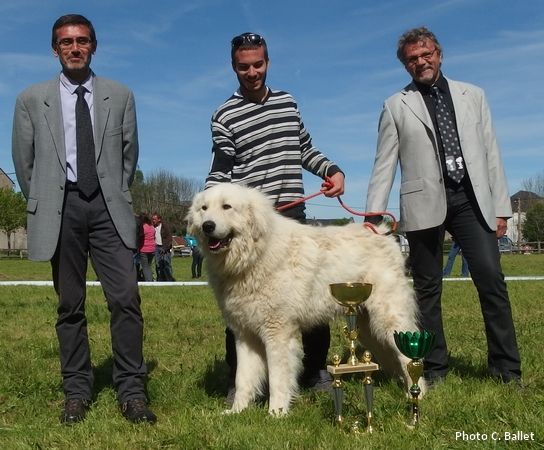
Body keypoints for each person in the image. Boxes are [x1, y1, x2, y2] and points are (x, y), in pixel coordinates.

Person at [11, 14, 156, 424]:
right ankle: (76, 390)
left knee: (126, 298)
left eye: (82, 41)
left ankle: (131, 391)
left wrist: (114, 192)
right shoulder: (29, 99)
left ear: (94, 45)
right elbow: (25, 163)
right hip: (62, 209)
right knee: (69, 305)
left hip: (109, 208)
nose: (74, 48)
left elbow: (130, 157)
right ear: (55, 49)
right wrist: (48, 196)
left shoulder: (120, 95)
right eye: (66, 42)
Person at [365, 27, 521, 386]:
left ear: (439, 54)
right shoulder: (395, 105)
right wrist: (374, 216)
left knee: (491, 281)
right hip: (423, 204)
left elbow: (490, 153)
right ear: (405, 65)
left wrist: (501, 208)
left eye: (426, 54)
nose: (421, 62)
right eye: (412, 59)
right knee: (427, 290)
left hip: (471, 199)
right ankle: (434, 368)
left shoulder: (474, 95)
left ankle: (507, 369)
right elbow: (383, 164)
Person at [206, 32, 345, 402]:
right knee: (243, 302)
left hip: (294, 218)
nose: (252, 72)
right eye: (243, 66)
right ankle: (242, 382)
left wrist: (331, 170)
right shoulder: (224, 115)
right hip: (253, 227)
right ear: (233, 67)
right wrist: (210, 206)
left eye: (258, 65)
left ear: (267, 62)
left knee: (311, 297)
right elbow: (221, 170)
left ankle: (315, 372)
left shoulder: (287, 102)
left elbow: (304, 148)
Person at [152, 213, 174, 281]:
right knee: (158, 264)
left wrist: (165, 248)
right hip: (156, 247)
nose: (153, 220)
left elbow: (169, 238)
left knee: (167, 264)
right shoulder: (152, 227)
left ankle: (169, 278)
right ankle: (160, 278)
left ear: (159, 219)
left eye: (155, 219)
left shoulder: (165, 227)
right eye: (152, 219)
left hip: (165, 247)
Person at [138, 213, 156, 281]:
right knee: (149, 266)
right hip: (152, 249)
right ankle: (151, 279)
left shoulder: (143, 227)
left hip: (144, 249)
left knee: (145, 267)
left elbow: (140, 237)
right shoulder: (151, 227)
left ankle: (148, 281)